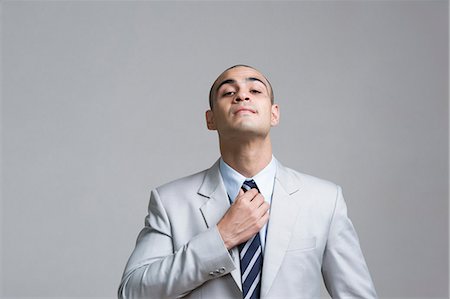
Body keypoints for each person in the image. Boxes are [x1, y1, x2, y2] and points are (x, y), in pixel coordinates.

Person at [118, 65, 377, 299]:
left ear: (274, 114)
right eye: (228, 92)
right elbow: (133, 292)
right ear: (210, 119)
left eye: (255, 89)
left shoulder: (324, 200)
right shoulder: (170, 202)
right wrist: (220, 238)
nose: (242, 95)